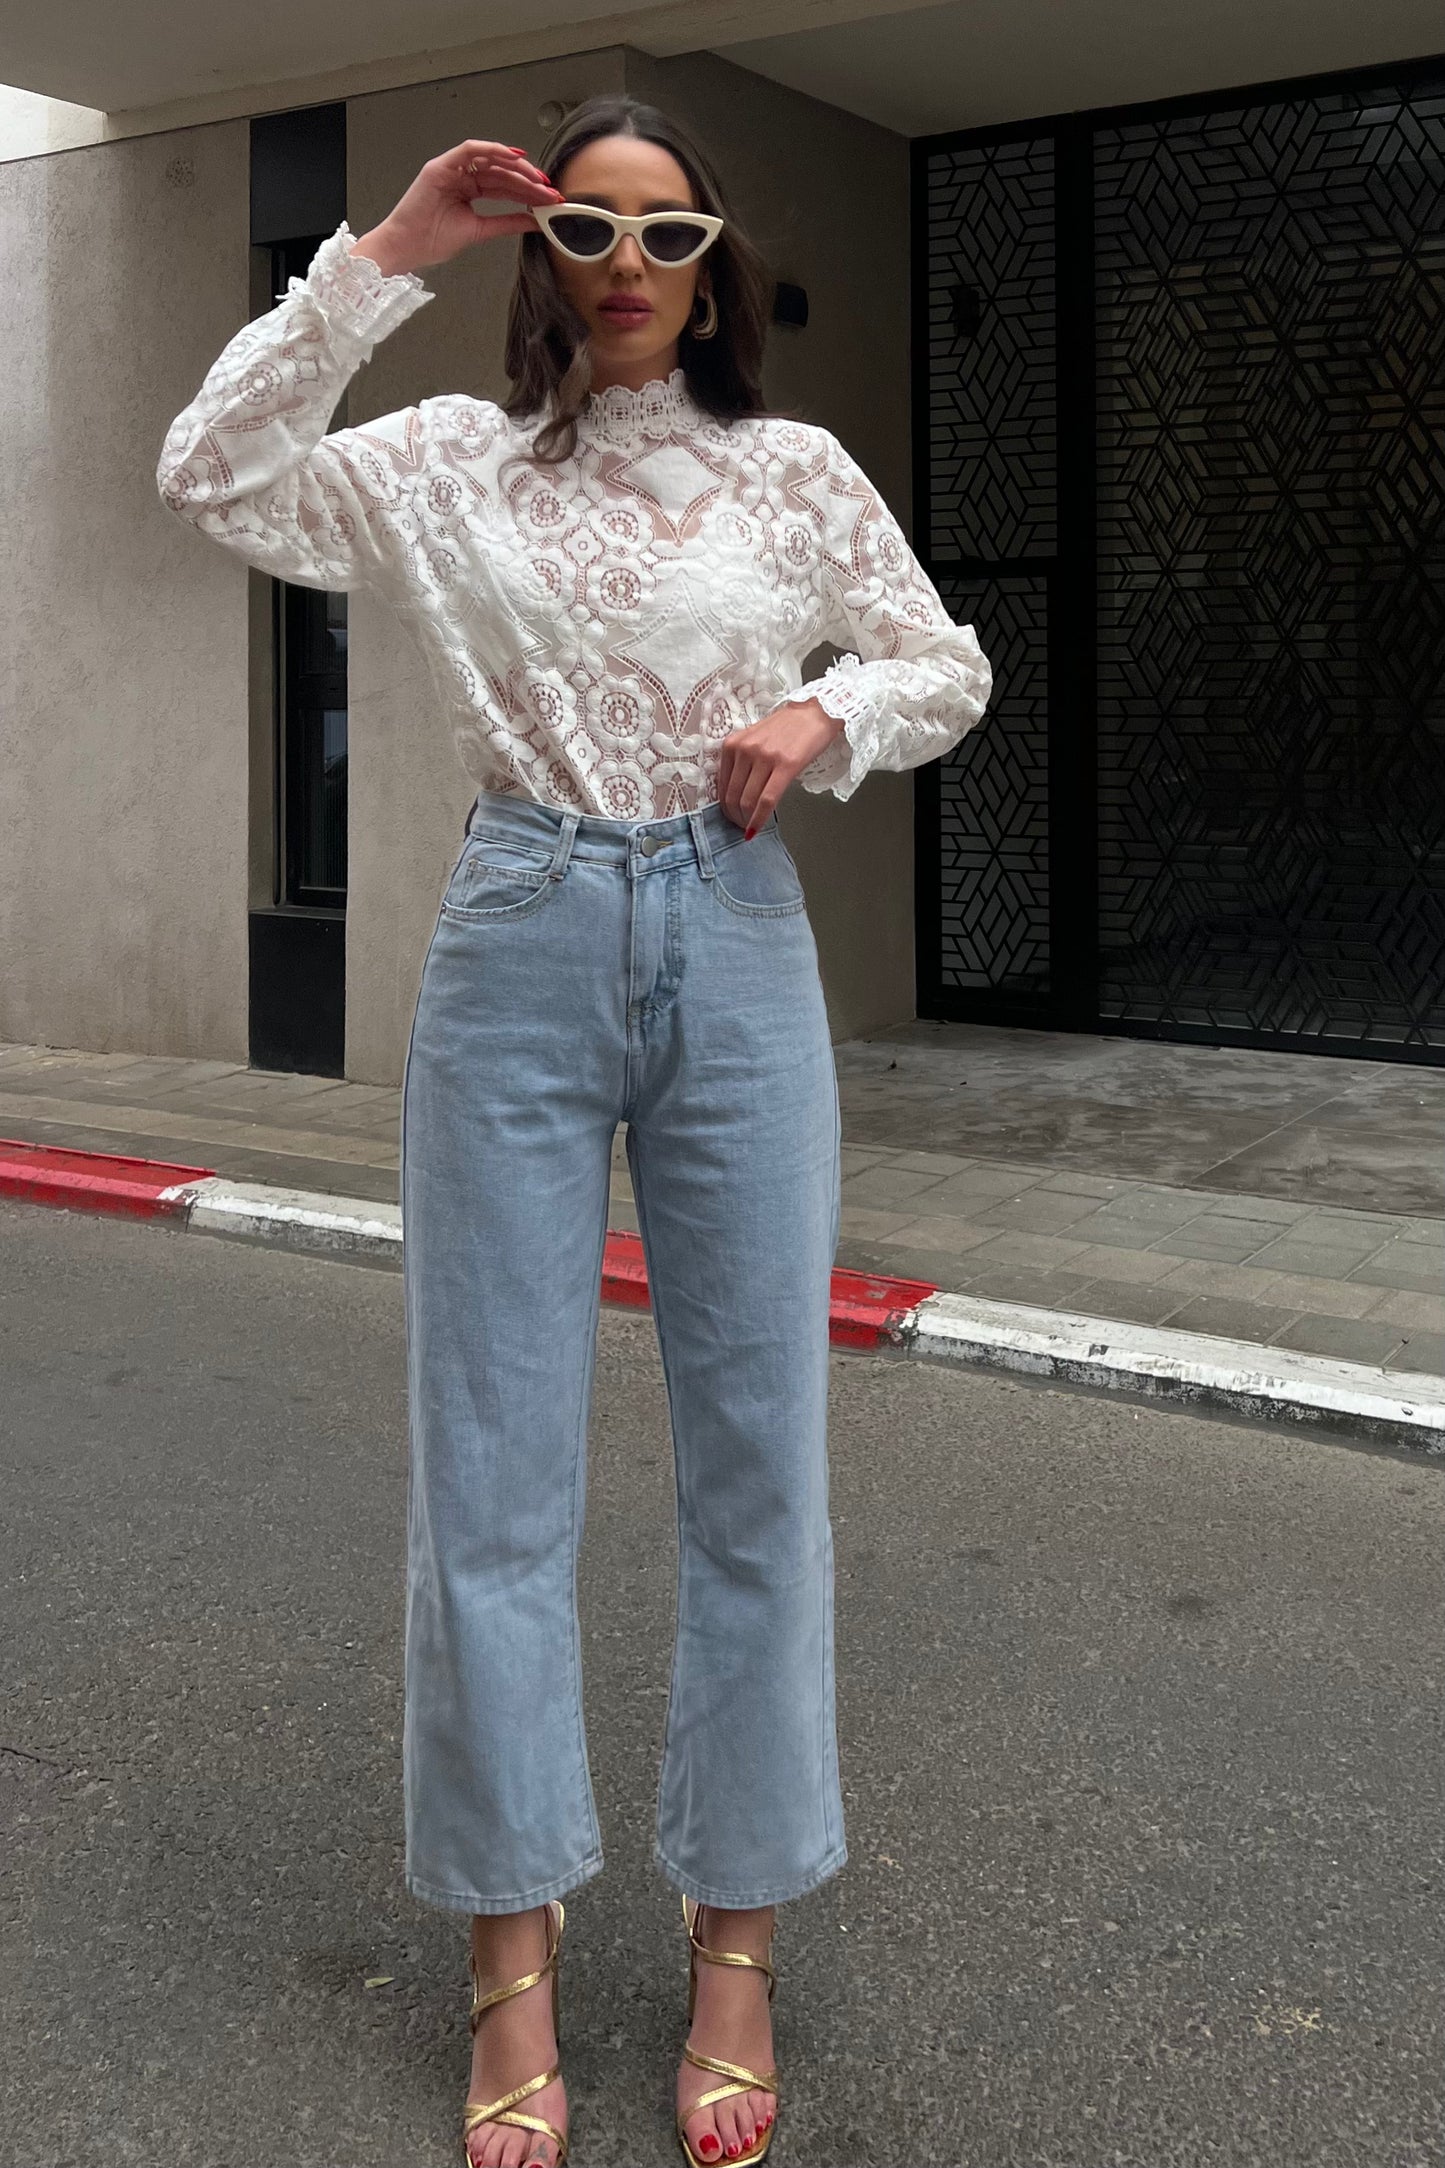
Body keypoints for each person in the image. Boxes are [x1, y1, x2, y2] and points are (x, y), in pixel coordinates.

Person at [157, 90, 991, 2168]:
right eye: (589, 230)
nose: (629, 266)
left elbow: (944, 661)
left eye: (668, 232)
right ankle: (510, 1960)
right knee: (492, 1477)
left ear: (714, 267)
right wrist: (387, 252)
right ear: (539, 254)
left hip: (734, 943)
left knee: (757, 1469)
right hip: (520, 932)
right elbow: (212, 471)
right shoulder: (448, 463)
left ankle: (736, 1946)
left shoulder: (791, 472)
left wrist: (824, 712)